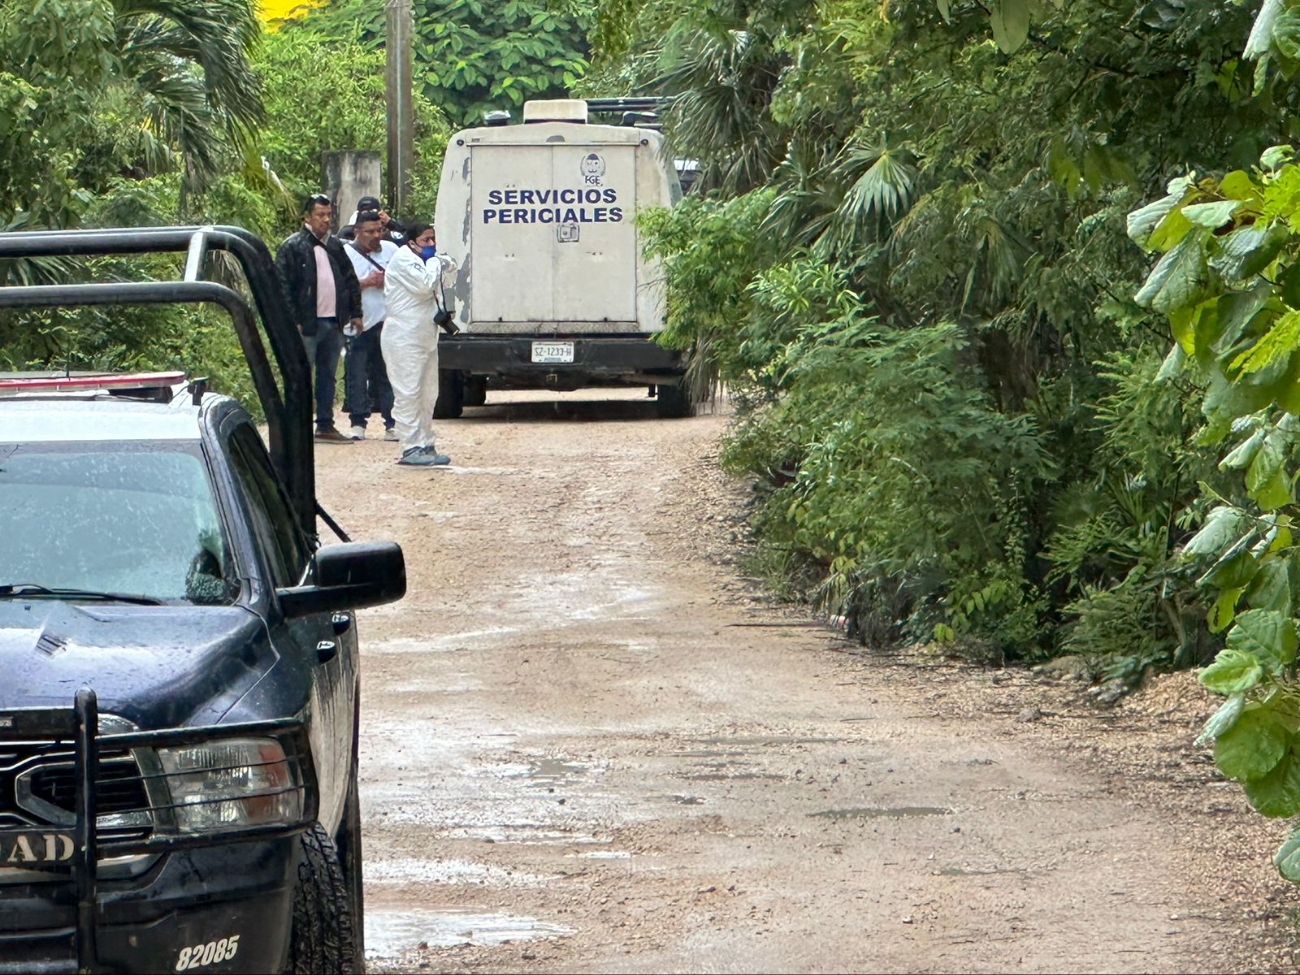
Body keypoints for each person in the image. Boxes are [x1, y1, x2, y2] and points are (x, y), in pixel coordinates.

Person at [275, 193, 363, 443]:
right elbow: (281, 287)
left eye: (329, 215)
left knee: (327, 375)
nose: (326, 220)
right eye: (320, 215)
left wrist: (355, 313)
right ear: (307, 217)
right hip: (307, 325)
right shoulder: (292, 247)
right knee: (300, 374)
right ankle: (296, 425)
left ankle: (324, 424)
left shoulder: (335, 246)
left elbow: (350, 280)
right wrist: (293, 321)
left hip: (333, 322)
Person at [382, 221, 456, 466]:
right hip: (403, 337)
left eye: (433, 239)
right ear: (411, 242)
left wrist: (441, 261)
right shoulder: (403, 260)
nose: (431, 245)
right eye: (426, 240)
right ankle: (410, 446)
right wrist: (437, 262)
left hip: (425, 337)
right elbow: (424, 285)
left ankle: (426, 442)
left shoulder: (424, 261)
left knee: (428, 394)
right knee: (408, 392)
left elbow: (451, 267)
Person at [342, 211, 398, 441]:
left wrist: (388, 280)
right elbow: (338, 287)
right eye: (370, 232)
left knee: (388, 373)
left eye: (379, 230)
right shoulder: (344, 254)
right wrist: (366, 282)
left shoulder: (392, 251)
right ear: (357, 232)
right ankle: (357, 422)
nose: (376, 236)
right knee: (356, 371)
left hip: (387, 321)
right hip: (358, 322)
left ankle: (392, 422)